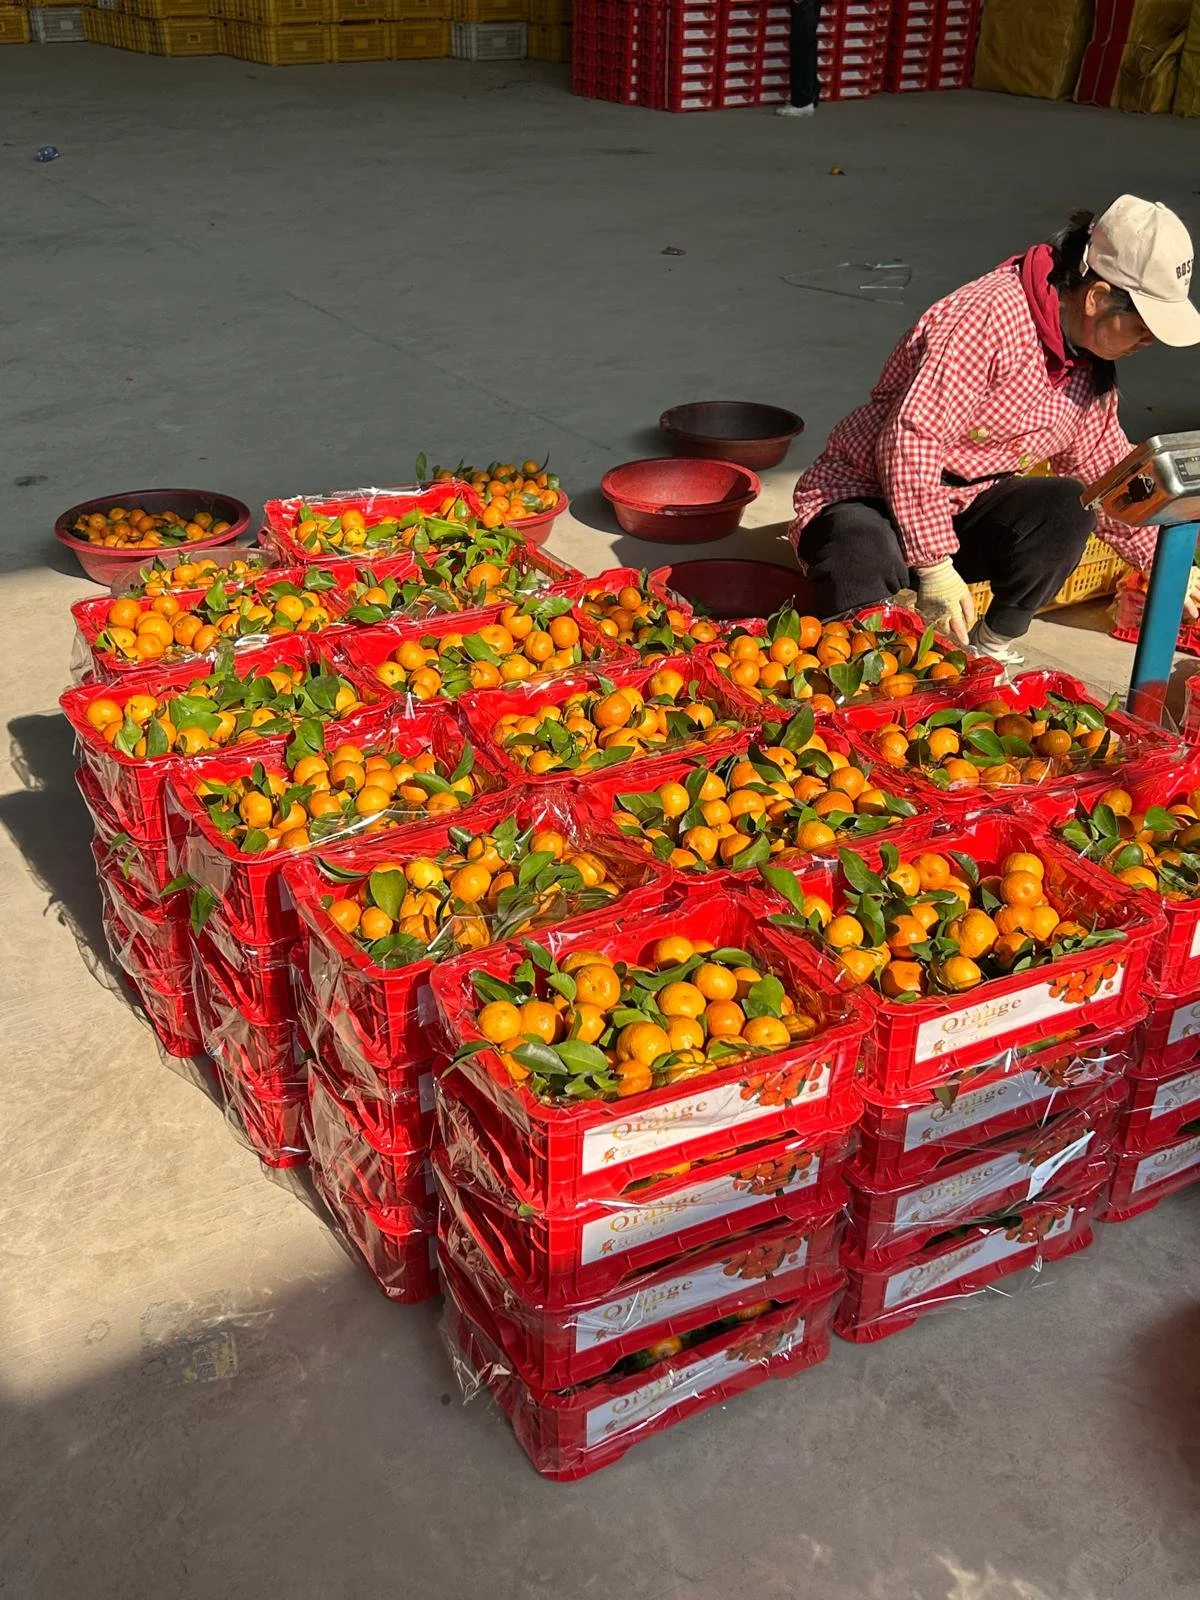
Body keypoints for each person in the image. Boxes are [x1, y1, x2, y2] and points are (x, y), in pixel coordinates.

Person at [791, 195, 1200, 663]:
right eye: (1143, 326)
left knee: (1069, 507)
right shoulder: (984, 318)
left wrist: (1164, 563)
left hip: (964, 508)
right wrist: (935, 565)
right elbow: (911, 439)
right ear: (1097, 297)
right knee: (858, 550)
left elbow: (1105, 473)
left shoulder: (1087, 361)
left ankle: (990, 648)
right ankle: (863, 671)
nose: (1147, 341)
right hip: (870, 498)